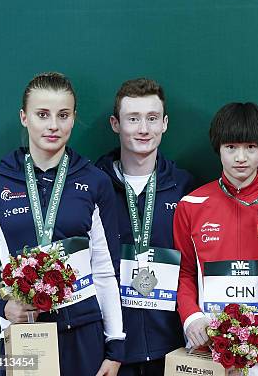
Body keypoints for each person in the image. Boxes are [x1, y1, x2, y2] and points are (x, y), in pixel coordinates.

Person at [0, 72, 124, 375]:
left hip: (85, 334)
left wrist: (115, 345)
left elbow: (106, 269)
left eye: (63, 115)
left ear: (73, 118)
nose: (53, 125)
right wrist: (1, 306)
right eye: (43, 114)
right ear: (24, 117)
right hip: (25, 335)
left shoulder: (94, 181)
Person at [173, 102, 258, 375]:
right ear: (218, 148)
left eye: (250, 148)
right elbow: (184, 271)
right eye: (231, 147)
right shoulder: (191, 204)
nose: (240, 157)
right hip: (209, 343)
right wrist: (191, 317)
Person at [96, 78, 194, 375]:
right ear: (115, 124)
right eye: (133, 118)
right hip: (111, 351)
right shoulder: (92, 187)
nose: (143, 129)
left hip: (173, 349)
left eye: (152, 118)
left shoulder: (185, 187)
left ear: (164, 123)